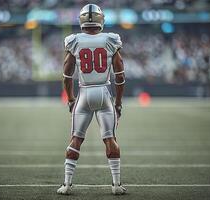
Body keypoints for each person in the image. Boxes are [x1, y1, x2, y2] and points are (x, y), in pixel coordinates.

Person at [57, 4, 127, 195]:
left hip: (84, 93)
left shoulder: (74, 41)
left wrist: (71, 99)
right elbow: (120, 75)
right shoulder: (111, 40)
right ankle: (116, 184)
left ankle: (67, 184)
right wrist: (118, 102)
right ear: (100, 19)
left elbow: (67, 75)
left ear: (81, 20)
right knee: (110, 138)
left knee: (76, 139)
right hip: (104, 93)